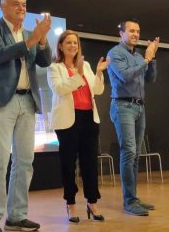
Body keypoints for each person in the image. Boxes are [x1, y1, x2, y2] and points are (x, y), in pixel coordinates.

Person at [0, 0, 52, 232]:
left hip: (26, 101)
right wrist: (32, 40)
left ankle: (16, 215)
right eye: (16, 4)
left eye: (24, 5)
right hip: (1, 101)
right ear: (3, 7)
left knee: (24, 162)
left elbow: (45, 61)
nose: (22, 8)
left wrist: (42, 40)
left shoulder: (31, 34)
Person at [47, 30, 109, 223]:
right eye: (69, 43)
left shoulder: (87, 65)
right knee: (68, 164)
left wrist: (98, 72)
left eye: (75, 43)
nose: (73, 46)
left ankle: (92, 202)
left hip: (89, 118)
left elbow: (97, 90)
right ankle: (71, 204)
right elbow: (60, 88)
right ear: (60, 45)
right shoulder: (54, 67)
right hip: (67, 121)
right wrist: (78, 74)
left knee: (89, 162)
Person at [107, 19, 159, 216]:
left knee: (136, 154)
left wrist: (151, 59)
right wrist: (146, 59)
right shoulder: (114, 53)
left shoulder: (138, 55)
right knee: (128, 152)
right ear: (121, 33)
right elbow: (126, 76)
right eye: (131, 31)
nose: (135, 34)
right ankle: (129, 201)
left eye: (138, 31)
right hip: (122, 106)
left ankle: (134, 198)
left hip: (139, 107)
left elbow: (150, 79)